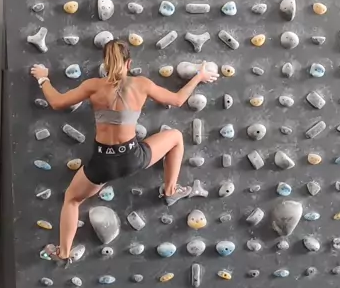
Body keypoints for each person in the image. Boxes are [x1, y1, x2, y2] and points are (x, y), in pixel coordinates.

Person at [30, 40, 218, 262]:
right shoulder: (141, 84)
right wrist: (198, 76)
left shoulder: (93, 86)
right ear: (129, 63)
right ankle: (170, 190)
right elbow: (177, 100)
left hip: (102, 163)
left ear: (105, 64)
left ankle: (63, 253)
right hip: (132, 157)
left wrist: (43, 78)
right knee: (176, 137)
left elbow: (57, 102)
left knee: (72, 200)